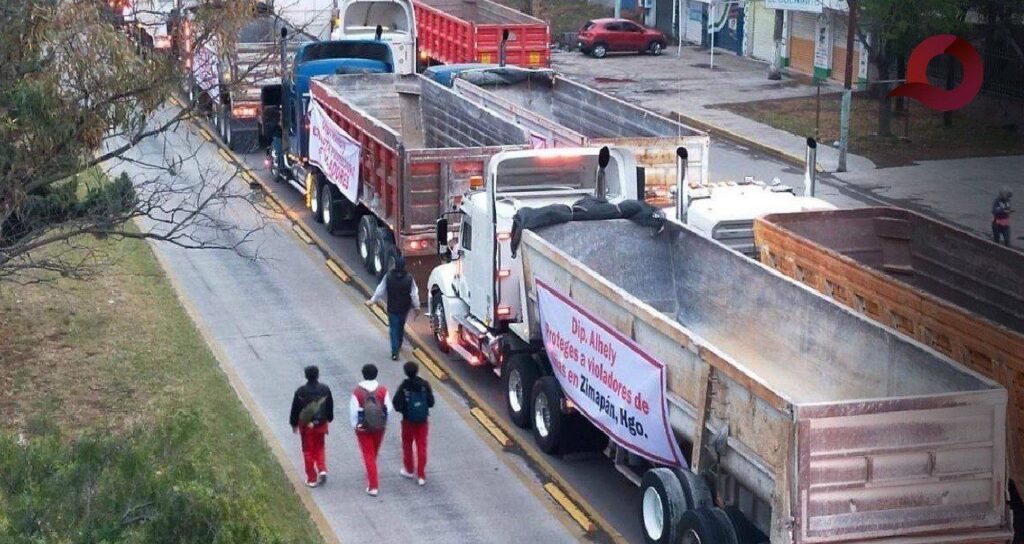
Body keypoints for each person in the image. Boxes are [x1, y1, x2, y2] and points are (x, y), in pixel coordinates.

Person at [349, 364, 393, 496]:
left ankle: (373, 485)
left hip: (363, 427)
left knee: (368, 454)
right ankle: (371, 469)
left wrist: (355, 425)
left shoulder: (357, 392)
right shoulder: (382, 390)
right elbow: (389, 408)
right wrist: (385, 423)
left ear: (363, 374)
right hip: (379, 426)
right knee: (374, 451)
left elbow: (353, 411)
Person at [365, 255, 420, 360]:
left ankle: (395, 351)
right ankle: (399, 344)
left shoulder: (388, 277)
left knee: (393, 329)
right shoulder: (409, 278)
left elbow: (380, 290)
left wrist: (372, 301)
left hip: (392, 308)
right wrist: (417, 307)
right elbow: (414, 294)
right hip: (404, 308)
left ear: (395, 265)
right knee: (400, 326)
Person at [289, 365, 334, 488]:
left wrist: (294, 424)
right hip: (321, 424)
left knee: (308, 451)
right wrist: (329, 418)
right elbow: (329, 406)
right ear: (318, 375)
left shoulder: (300, 392)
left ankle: (311, 478)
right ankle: (322, 468)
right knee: (320, 446)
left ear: (306, 376)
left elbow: (295, 410)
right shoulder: (325, 389)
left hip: (306, 426)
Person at [392, 361, 435, 486]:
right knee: (421, 446)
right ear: (417, 371)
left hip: (407, 421)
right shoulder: (424, 385)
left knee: (407, 444)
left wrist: (405, 410)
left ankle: (409, 470)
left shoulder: (404, 386)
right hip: (422, 421)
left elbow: (396, 404)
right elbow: (431, 402)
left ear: (405, 372)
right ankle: (421, 475)